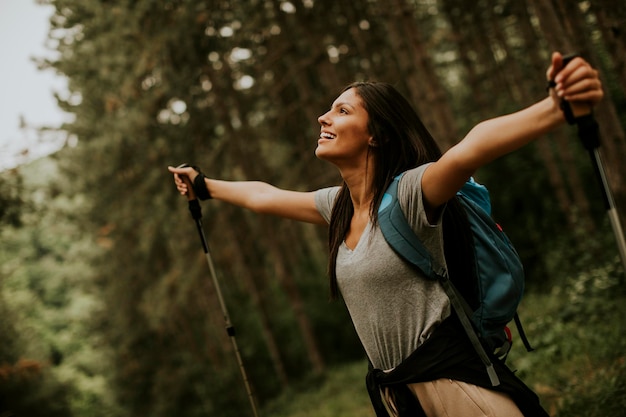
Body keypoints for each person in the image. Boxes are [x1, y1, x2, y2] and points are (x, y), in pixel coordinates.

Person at [168, 52, 603, 416]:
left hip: (453, 390)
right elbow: (264, 196)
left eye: (342, 110)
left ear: (375, 135)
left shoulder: (411, 194)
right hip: (398, 398)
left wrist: (555, 107)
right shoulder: (337, 207)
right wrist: (205, 186)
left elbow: (469, 149)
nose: (323, 116)